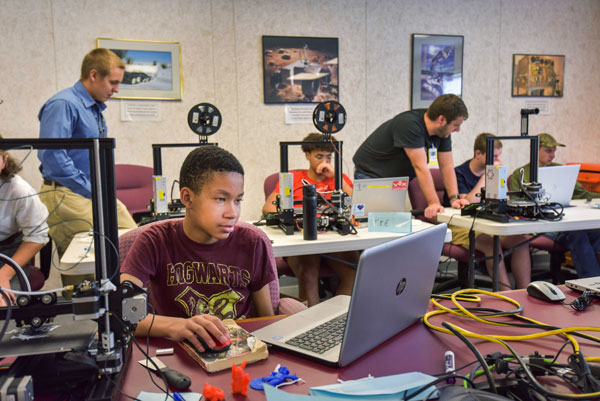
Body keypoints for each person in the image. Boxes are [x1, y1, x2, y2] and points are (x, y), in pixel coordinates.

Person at [121, 146, 275, 351]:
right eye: (221, 199)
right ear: (187, 198)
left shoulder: (253, 243)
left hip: (241, 352)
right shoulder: (154, 241)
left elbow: (266, 321)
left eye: (238, 200)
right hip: (177, 353)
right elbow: (124, 313)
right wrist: (178, 326)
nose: (232, 213)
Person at [37, 48, 137, 287]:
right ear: (94, 75)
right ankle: (92, 320)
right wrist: (91, 190)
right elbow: (53, 157)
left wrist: (98, 191)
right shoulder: (63, 104)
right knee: (88, 268)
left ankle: (125, 312)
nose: (116, 89)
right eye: (113, 82)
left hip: (93, 192)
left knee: (135, 241)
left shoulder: (93, 107)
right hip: (67, 194)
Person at [262, 133, 358, 306]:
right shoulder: (292, 178)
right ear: (307, 155)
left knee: (354, 272)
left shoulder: (339, 179)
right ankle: (312, 324)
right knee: (308, 275)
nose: (324, 162)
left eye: (328, 157)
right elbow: (268, 207)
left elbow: (359, 205)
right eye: (319, 156)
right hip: (302, 237)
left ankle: (336, 320)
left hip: (332, 238)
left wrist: (336, 177)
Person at [353, 94, 470, 219]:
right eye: (456, 125)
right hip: (372, 175)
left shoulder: (443, 132)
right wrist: (434, 203)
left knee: (389, 226)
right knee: (369, 224)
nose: (458, 130)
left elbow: (447, 166)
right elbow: (420, 167)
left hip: (394, 181)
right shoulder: (409, 125)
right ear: (441, 120)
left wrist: (454, 198)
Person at [508, 133, 600, 278]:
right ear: (535, 150)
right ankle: (592, 285)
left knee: (593, 234)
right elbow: (515, 205)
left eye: (554, 151)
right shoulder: (521, 174)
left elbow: (584, 194)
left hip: (563, 219)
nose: (553, 156)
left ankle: (591, 280)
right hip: (540, 224)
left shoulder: (561, 170)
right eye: (549, 151)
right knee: (577, 234)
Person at [452, 133, 532, 290]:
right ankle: (505, 293)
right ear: (478, 154)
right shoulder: (459, 173)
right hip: (462, 225)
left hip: (488, 222)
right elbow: (468, 202)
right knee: (491, 244)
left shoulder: (495, 172)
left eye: (498, 156)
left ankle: (524, 290)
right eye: (494, 156)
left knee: (522, 240)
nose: (497, 160)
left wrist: (497, 176)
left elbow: (504, 200)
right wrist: (489, 175)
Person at [0, 142, 50, 306]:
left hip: (7, 254)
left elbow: (38, 236)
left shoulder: (19, 190)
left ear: (4, 160)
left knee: (2, 303)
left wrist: (5, 274)